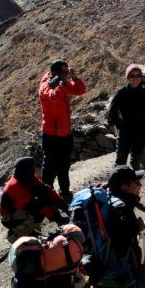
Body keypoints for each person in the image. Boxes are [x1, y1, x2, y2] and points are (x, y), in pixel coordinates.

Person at [38, 58, 86, 197]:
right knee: (49, 166)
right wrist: (61, 83)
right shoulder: (45, 85)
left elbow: (80, 90)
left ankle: (64, 191)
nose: (66, 74)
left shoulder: (61, 82)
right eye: (64, 72)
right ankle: (47, 194)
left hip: (65, 133)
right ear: (55, 73)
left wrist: (74, 78)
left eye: (67, 72)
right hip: (51, 134)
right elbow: (53, 96)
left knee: (64, 165)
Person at [0, 157, 67, 242]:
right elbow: (34, 205)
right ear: (27, 169)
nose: (34, 169)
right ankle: (14, 236)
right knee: (35, 214)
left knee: (45, 198)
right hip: (9, 217)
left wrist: (64, 204)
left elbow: (47, 190)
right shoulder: (14, 185)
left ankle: (29, 231)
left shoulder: (27, 176)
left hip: (20, 208)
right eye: (32, 167)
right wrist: (54, 216)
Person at [101, 165, 145, 288]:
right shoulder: (122, 207)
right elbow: (121, 239)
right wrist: (138, 227)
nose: (140, 186)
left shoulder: (108, 195)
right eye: (137, 183)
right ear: (125, 188)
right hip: (121, 265)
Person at [107, 64, 145, 170]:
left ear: (141, 77)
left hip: (139, 131)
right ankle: (119, 184)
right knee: (120, 162)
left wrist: (143, 126)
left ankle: (133, 184)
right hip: (125, 131)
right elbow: (112, 112)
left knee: (136, 161)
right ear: (128, 78)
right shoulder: (121, 93)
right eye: (132, 76)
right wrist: (121, 126)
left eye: (138, 76)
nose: (135, 78)